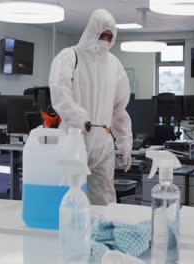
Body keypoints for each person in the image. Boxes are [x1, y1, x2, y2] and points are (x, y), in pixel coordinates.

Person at [49, 9, 132, 206]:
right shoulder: (69, 56)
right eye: (102, 35)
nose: (105, 40)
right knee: (69, 198)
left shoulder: (114, 65)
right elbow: (60, 93)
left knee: (104, 200)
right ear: (91, 31)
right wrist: (79, 118)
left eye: (109, 37)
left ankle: (101, 235)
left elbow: (119, 109)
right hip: (74, 140)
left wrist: (124, 141)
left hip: (103, 144)